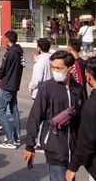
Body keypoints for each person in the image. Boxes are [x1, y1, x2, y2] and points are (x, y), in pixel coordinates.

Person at [24, 50, 87, 181]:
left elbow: (84, 117)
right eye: (52, 67)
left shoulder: (78, 89)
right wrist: (30, 145)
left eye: (59, 68)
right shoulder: (46, 88)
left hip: (73, 148)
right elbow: (35, 115)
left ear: (70, 69)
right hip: (54, 146)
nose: (55, 71)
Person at [0, 30, 25, 149]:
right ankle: (17, 138)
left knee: (2, 112)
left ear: (8, 39)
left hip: (7, 84)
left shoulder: (10, 53)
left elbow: (3, 68)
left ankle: (10, 140)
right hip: (15, 84)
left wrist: (0, 77)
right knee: (14, 110)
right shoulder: (20, 51)